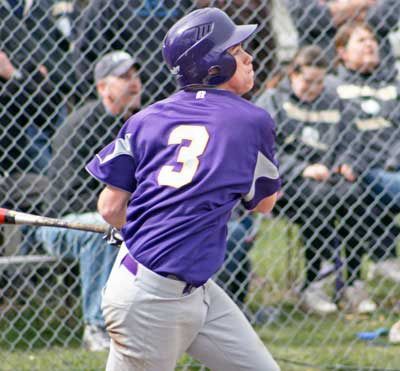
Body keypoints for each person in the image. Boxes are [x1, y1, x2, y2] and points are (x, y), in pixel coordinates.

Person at [86, 8, 281, 370]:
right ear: (214, 66)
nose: (250, 58)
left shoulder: (143, 119)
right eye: (238, 53)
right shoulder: (252, 120)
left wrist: (145, 225)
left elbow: (111, 208)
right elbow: (265, 203)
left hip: (183, 285)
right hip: (152, 299)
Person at [35, 50, 143, 351]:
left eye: (135, 75)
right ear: (102, 88)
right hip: (62, 222)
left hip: (111, 214)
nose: (134, 83)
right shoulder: (84, 123)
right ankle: (96, 327)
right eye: (123, 77)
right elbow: (68, 194)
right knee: (103, 229)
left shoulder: (138, 124)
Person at [256, 45, 377, 315]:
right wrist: (301, 168)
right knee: (318, 199)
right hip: (287, 184)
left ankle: (352, 281)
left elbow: (352, 141)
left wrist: (348, 163)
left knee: (355, 194)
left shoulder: (334, 101)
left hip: (330, 178)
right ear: (293, 74)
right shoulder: (273, 100)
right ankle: (314, 282)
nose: (314, 88)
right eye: (308, 81)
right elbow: (260, 150)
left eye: (320, 81)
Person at [328, 21, 400, 284]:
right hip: (362, 166)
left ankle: (384, 255)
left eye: (372, 39)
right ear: (342, 52)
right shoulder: (332, 86)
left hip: (394, 166)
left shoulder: (392, 85)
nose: (370, 44)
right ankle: (384, 257)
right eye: (361, 40)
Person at [73, 0, 194, 103]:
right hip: (130, 104)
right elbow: (86, 55)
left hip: (179, 98)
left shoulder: (181, 3)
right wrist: (105, 103)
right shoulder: (110, 3)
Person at [284, 0, 400, 78]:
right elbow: (308, 17)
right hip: (323, 72)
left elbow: (387, 16)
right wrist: (361, 3)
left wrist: (334, 11)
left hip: (378, 75)